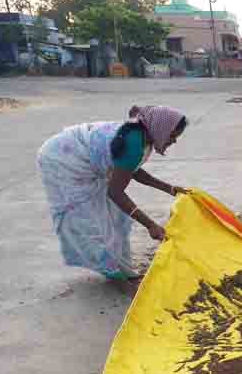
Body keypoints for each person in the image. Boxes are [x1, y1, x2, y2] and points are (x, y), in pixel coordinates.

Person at [38, 105, 188, 293]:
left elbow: (131, 169)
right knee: (92, 221)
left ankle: (124, 270)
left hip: (82, 158)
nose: (173, 141)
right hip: (64, 160)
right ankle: (115, 277)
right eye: (172, 135)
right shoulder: (133, 141)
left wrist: (170, 189)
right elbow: (115, 192)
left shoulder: (142, 136)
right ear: (160, 129)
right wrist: (151, 225)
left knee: (116, 218)